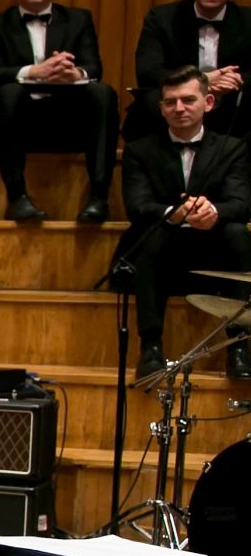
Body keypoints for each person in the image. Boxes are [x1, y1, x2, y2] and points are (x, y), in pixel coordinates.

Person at [119, 65, 251, 381]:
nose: (179, 108)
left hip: (213, 250)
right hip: (165, 250)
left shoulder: (232, 147)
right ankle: (151, 347)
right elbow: (137, 206)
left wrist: (213, 211)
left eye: (188, 100)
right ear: (161, 108)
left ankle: (238, 347)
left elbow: (241, 203)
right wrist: (173, 213)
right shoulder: (139, 151)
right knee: (149, 234)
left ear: (208, 102)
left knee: (239, 235)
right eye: (171, 102)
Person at [0, 0, 119, 222]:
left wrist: (73, 73)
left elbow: (94, 68)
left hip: (64, 118)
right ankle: (17, 197)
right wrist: (35, 72)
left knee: (102, 93)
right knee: (8, 91)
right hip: (16, 119)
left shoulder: (79, 19)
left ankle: (99, 198)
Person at [127, 0, 251, 141]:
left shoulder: (248, 20)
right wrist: (203, 81)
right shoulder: (162, 18)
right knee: (150, 101)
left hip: (230, 104)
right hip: (178, 101)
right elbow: (148, 72)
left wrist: (235, 80)